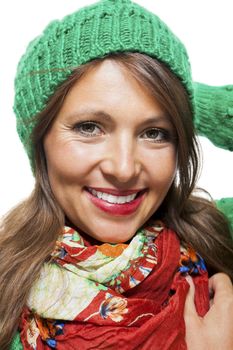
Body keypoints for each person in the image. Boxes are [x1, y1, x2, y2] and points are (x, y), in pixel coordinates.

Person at [0, 0, 232, 349]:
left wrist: (189, 102)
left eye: (155, 132)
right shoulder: (6, 288)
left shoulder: (217, 235)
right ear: (39, 139)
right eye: (90, 127)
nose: (124, 168)